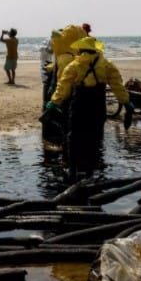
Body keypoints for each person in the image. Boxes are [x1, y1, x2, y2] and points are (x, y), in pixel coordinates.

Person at [45, 37, 132, 177]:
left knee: (74, 137)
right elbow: (118, 86)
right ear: (95, 49)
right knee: (94, 138)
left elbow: (63, 88)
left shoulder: (74, 65)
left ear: (80, 49)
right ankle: (90, 172)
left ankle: (73, 170)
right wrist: (127, 102)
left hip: (79, 105)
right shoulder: (107, 65)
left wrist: (54, 102)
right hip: (97, 105)